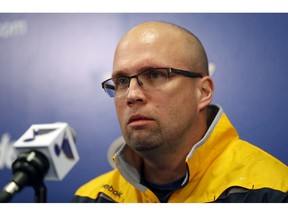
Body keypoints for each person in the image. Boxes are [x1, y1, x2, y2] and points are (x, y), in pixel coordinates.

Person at [72, 21, 288, 203]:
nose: (131, 95)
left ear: (203, 92)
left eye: (155, 75)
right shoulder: (90, 199)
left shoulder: (273, 192)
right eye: (121, 81)